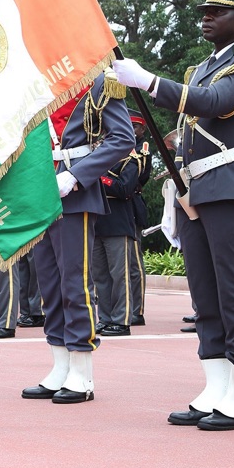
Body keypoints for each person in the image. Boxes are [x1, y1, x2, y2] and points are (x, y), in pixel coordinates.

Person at [113, 0, 234, 430]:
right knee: (204, 291)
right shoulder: (203, 65)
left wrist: (149, 81)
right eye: (204, 11)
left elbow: (216, 103)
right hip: (196, 185)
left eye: (216, 12)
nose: (206, 18)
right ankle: (215, 384)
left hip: (232, 182)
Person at [21, 70, 133, 403]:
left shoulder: (98, 81)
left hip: (74, 188)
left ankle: (81, 370)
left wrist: (75, 176)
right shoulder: (35, 82)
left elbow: (122, 138)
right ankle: (60, 365)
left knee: (74, 282)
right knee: (49, 283)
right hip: (40, 188)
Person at [91, 143, 143, 337]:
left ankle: (121, 321)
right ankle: (105, 318)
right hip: (97, 223)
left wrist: (98, 176)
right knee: (100, 277)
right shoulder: (93, 161)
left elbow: (124, 189)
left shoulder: (129, 161)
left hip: (118, 223)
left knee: (119, 276)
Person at [128, 110, 151, 326]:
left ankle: (137, 310)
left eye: (134, 126)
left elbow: (139, 175)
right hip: (113, 208)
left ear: (142, 129)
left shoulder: (141, 148)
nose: (131, 130)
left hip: (131, 205)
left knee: (134, 263)